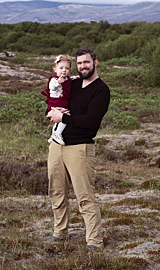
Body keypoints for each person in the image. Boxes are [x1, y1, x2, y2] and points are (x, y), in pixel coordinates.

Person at [46, 47, 110, 249]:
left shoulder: (101, 90)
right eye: (80, 63)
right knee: (56, 191)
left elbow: (91, 121)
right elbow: (55, 93)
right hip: (56, 146)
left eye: (86, 62)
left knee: (84, 195)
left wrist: (63, 117)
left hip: (80, 148)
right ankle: (60, 232)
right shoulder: (72, 83)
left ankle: (94, 240)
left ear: (95, 63)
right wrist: (53, 109)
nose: (83, 66)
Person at [41, 55, 77, 145]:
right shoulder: (54, 79)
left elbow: (70, 79)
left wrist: (75, 78)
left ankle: (53, 135)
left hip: (62, 103)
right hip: (55, 103)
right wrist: (58, 82)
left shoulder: (67, 79)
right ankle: (57, 134)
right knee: (66, 116)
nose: (64, 70)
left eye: (67, 68)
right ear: (55, 69)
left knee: (59, 120)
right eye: (61, 68)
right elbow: (51, 87)